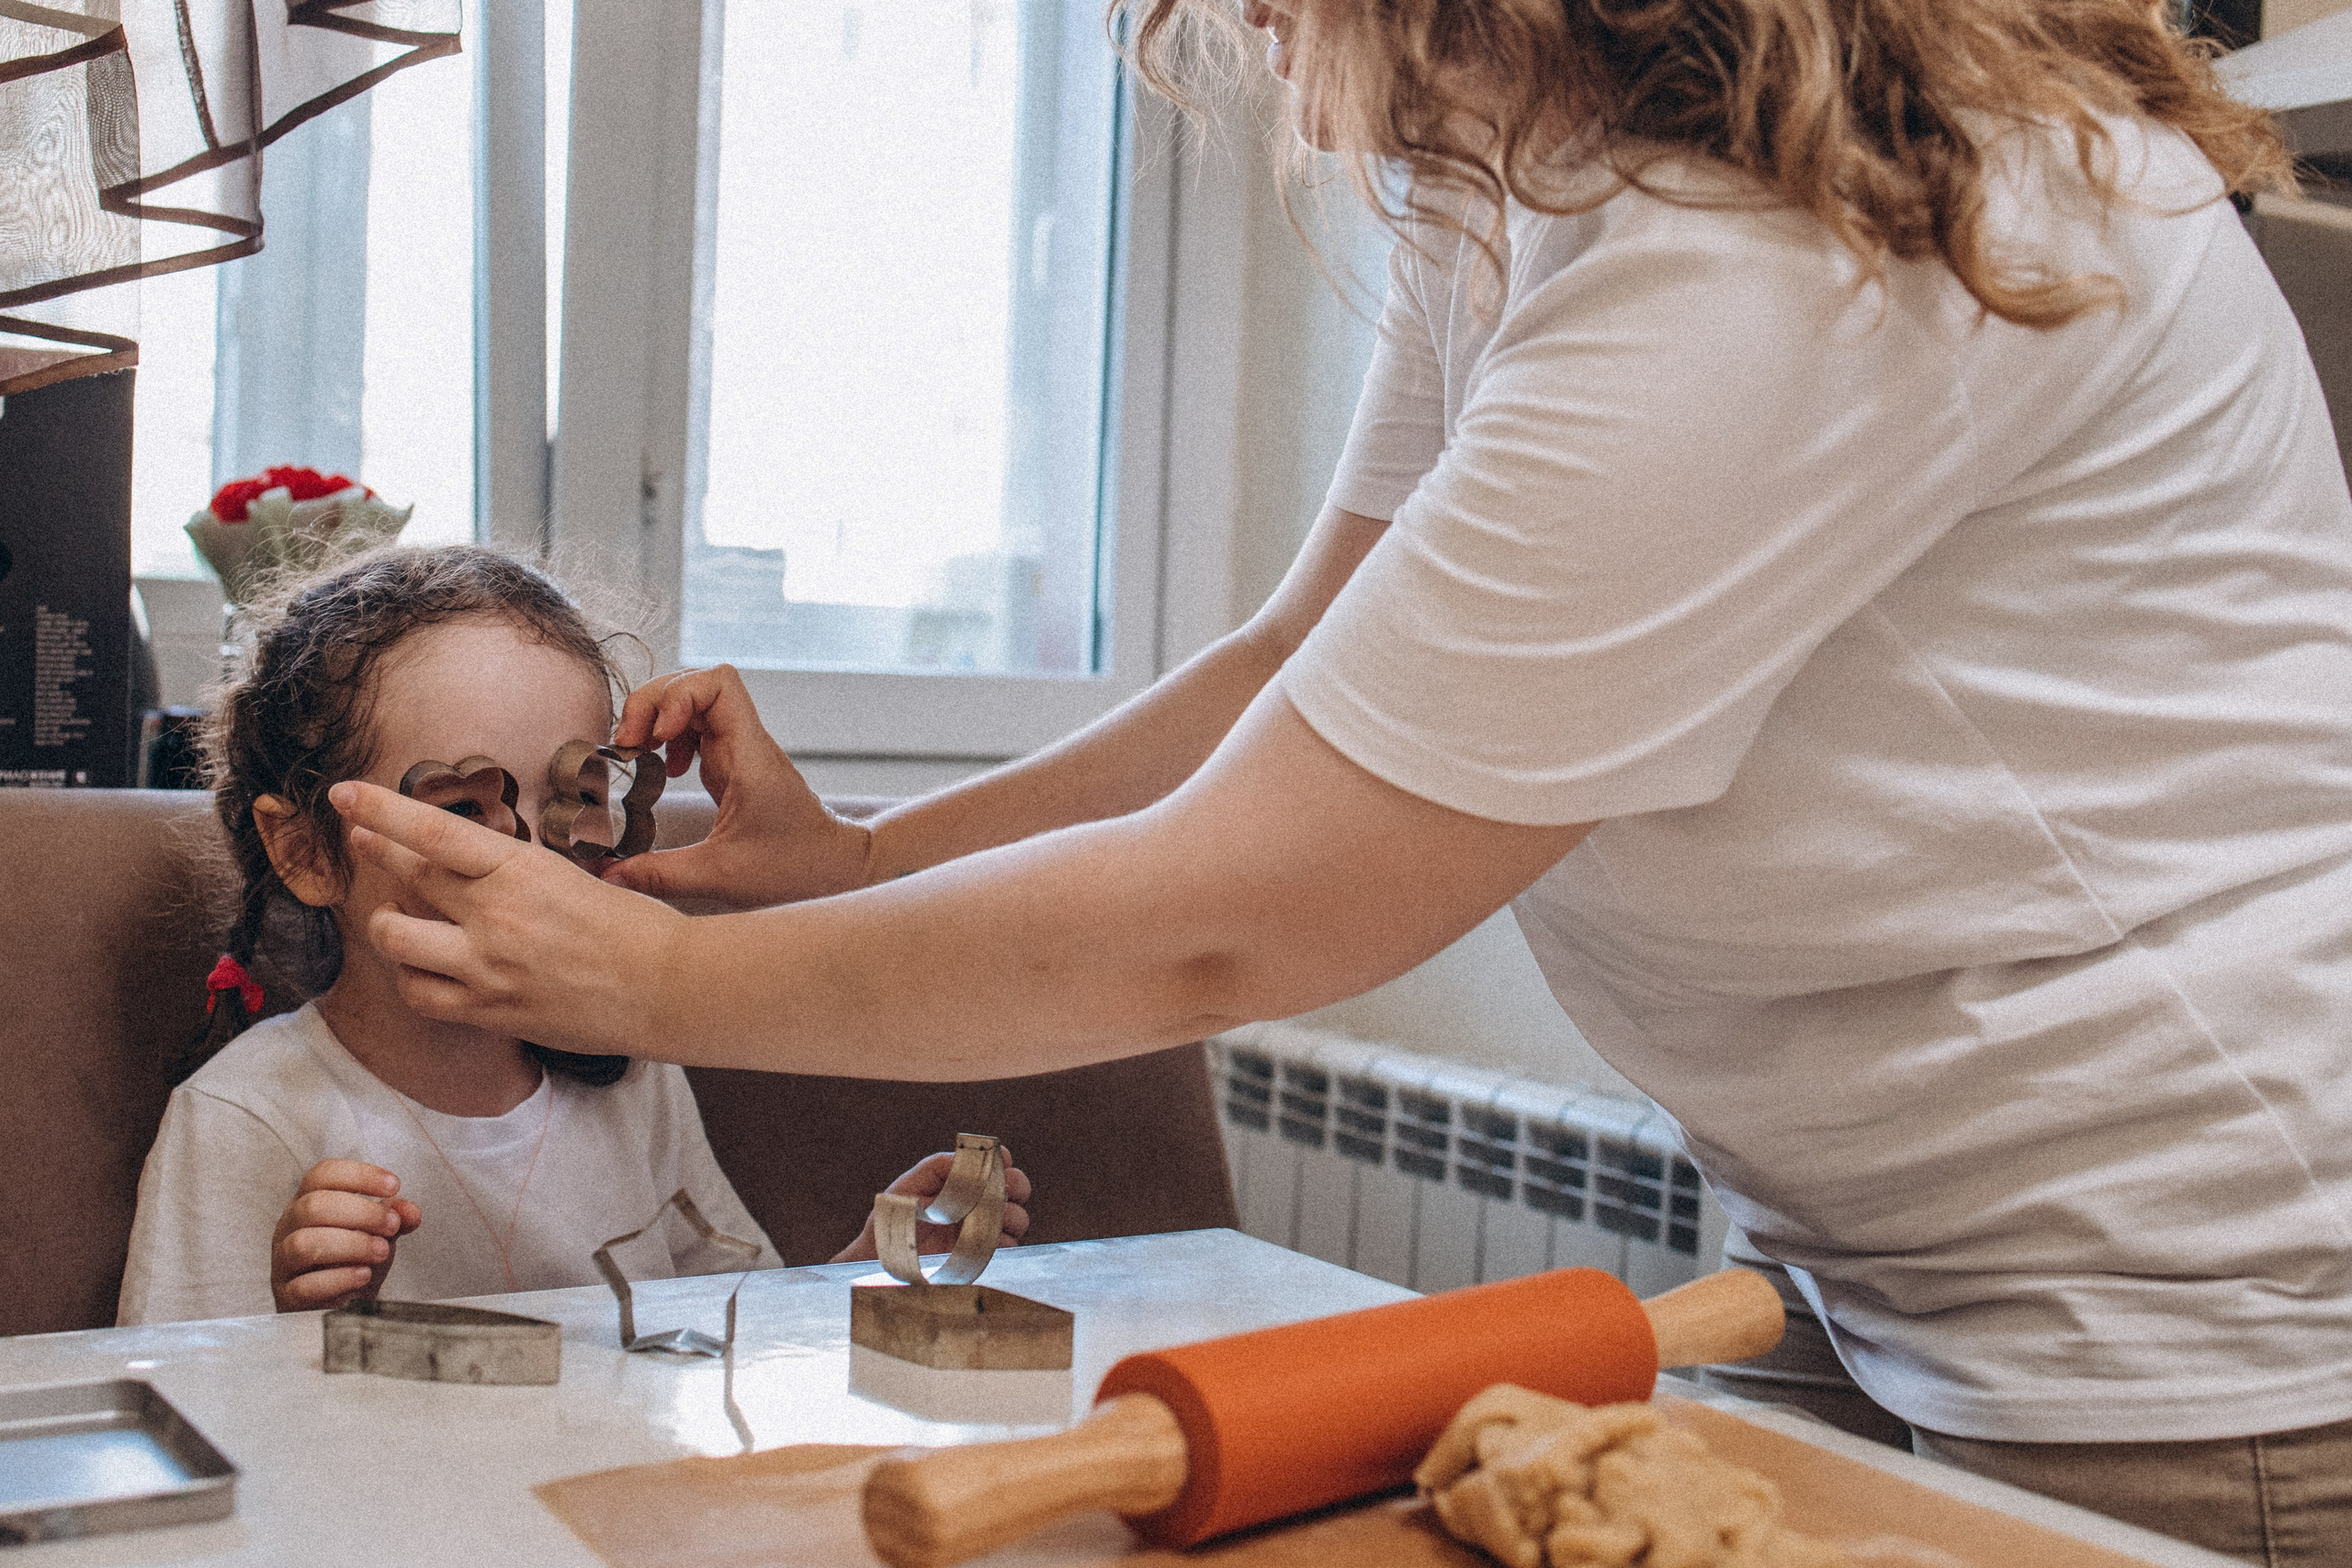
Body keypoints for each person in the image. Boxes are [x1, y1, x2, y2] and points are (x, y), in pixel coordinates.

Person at [331, 1, 2352, 1558]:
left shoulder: (1819, 230)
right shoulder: (1523, 183)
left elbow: (1243, 905)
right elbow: (1301, 662)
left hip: (2191, 1321)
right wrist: (848, 861)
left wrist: (645, 981)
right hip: (1864, 1265)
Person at [119, 546, 1030, 1326]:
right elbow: (172, 1426)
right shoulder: (245, 1116)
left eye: (575, 801)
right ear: (306, 852)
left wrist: (864, 1270)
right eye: (465, 811)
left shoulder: (634, 1072)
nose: (536, 862)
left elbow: (725, 1334)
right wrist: (294, 1325)